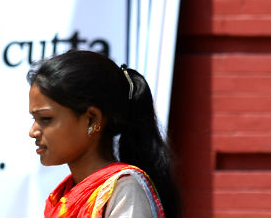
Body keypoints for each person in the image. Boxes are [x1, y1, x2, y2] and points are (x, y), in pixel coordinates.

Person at [27, 51, 181, 218]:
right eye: (34, 119)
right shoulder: (63, 196)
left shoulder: (123, 189)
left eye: (45, 118)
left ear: (92, 120)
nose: (32, 131)